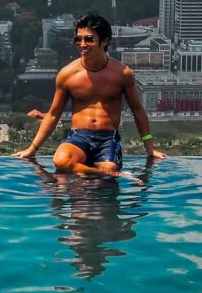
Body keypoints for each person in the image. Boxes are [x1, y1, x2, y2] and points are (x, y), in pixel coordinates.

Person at [13, 12, 166, 173]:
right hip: (78, 136)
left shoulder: (122, 74)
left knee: (109, 169)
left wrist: (150, 149)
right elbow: (52, 114)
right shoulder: (67, 74)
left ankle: (104, 172)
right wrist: (32, 148)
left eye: (89, 39)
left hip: (107, 138)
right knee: (61, 161)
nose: (82, 44)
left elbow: (138, 111)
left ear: (105, 41)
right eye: (78, 39)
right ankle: (106, 173)